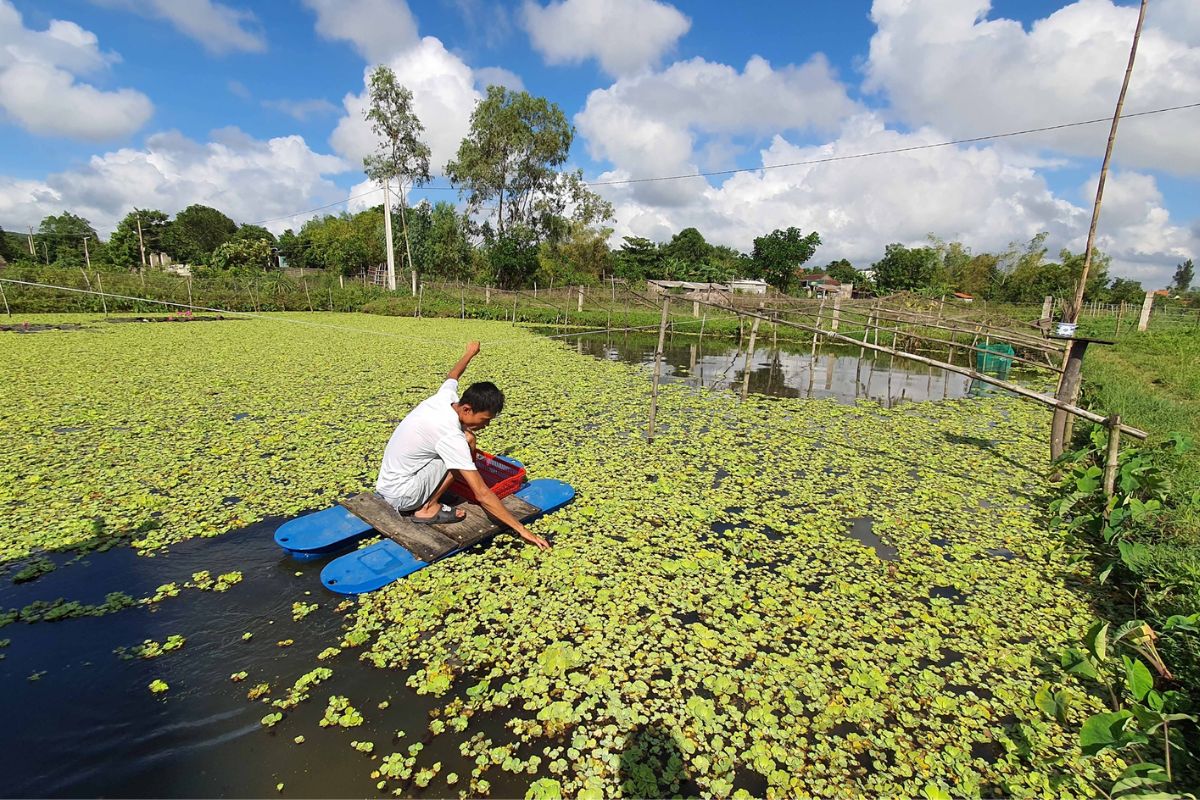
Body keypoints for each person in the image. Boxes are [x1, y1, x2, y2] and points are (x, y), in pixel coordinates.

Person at [374, 341, 551, 550]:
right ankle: (427, 508)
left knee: (467, 440)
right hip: (403, 496)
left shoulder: (445, 398)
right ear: (467, 409)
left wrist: (470, 353)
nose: (485, 426)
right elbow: (482, 494)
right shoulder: (449, 435)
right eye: (484, 420)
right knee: (462, 448)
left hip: (390, 483)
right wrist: (522, 530)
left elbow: (452, 376)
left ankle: (436, 491)